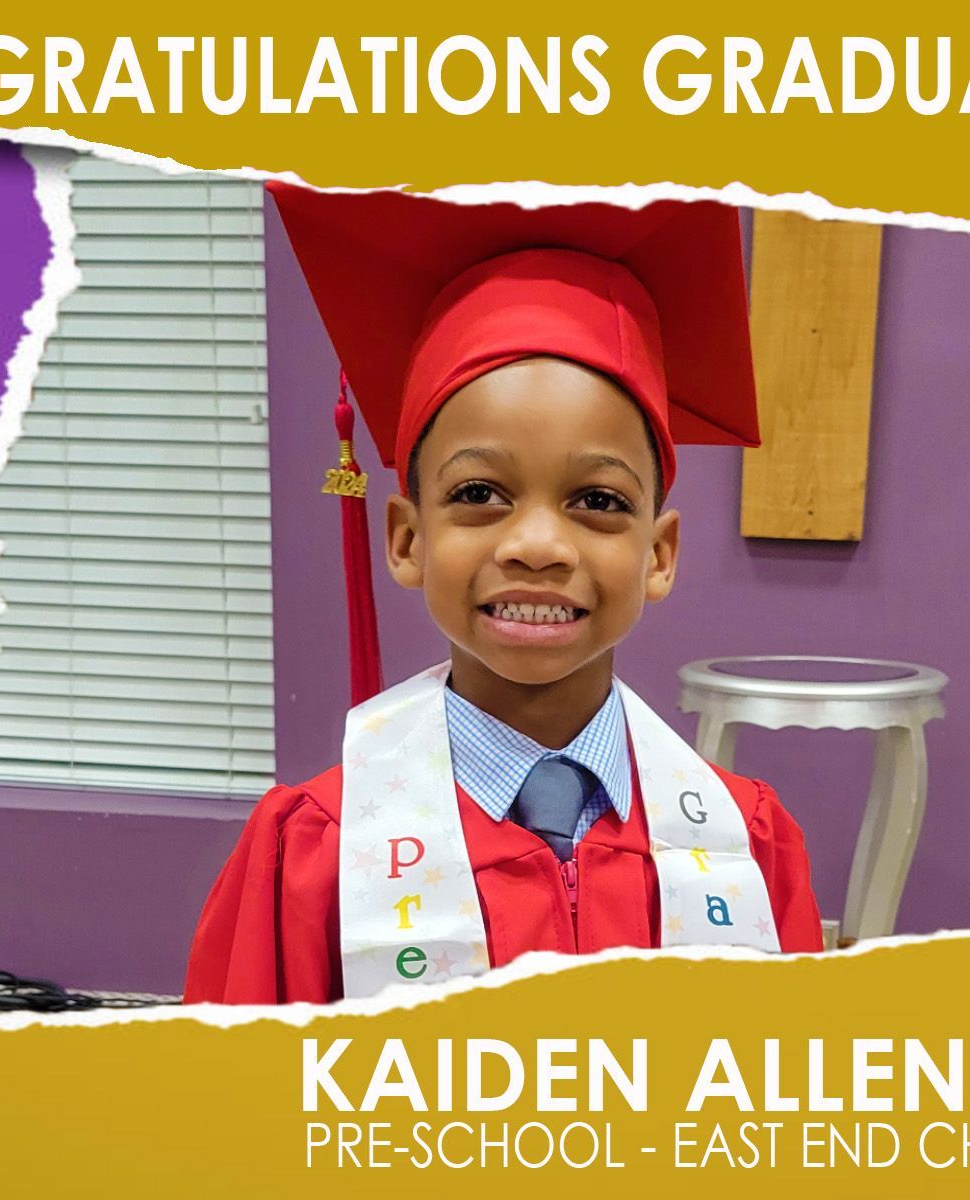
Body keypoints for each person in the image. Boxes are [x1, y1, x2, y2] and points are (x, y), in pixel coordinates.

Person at [184, 183, 822, 1004]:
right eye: (480, 494)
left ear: (659, 555)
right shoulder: (315, 853)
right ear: (407, 540)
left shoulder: (745, 844)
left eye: (598, 501)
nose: (537, 546)